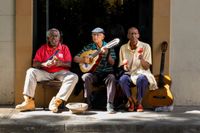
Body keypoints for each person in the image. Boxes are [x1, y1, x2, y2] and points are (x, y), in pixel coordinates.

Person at [15, 28, 78, 113]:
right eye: (51, 36)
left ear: (59, 38)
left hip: (60, 72)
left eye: (56, 36)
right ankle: (29, 102)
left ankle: (56, 102)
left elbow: (69, 64)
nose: (54, 38)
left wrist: (60, 63)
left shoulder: (64, 48)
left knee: (74, 77)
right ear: (48, 38)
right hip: (45, 72)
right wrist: (44, 64)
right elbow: (34, 64)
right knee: (31, 71)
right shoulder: (43, 48)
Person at [73, 27, 117, 113]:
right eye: (93, 35)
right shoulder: (89, 47)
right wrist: (84, 60)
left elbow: (112, 63)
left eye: (97, 35)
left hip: (106, 74)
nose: (95, 36)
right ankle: (88, 103)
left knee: (112, 78)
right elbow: (75, 58)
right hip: (94, 74)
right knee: (86, 76)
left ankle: (110, 104)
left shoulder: (109, 46)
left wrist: (107, 53)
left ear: (103, 37)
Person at [118, 27, 158, 112]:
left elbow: (147, 67)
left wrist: (142, 59)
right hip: (130, 73)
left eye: (135, 33)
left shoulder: (146, 46)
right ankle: (131, 101)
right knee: (122, 79)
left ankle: (139, 102)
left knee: (142, 78)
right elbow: (124, 67)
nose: (133, 36)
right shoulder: (123, 48)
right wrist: (126, 67)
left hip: (142, 72)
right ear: (128, 36)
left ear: (138, 35)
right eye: (131, 34)